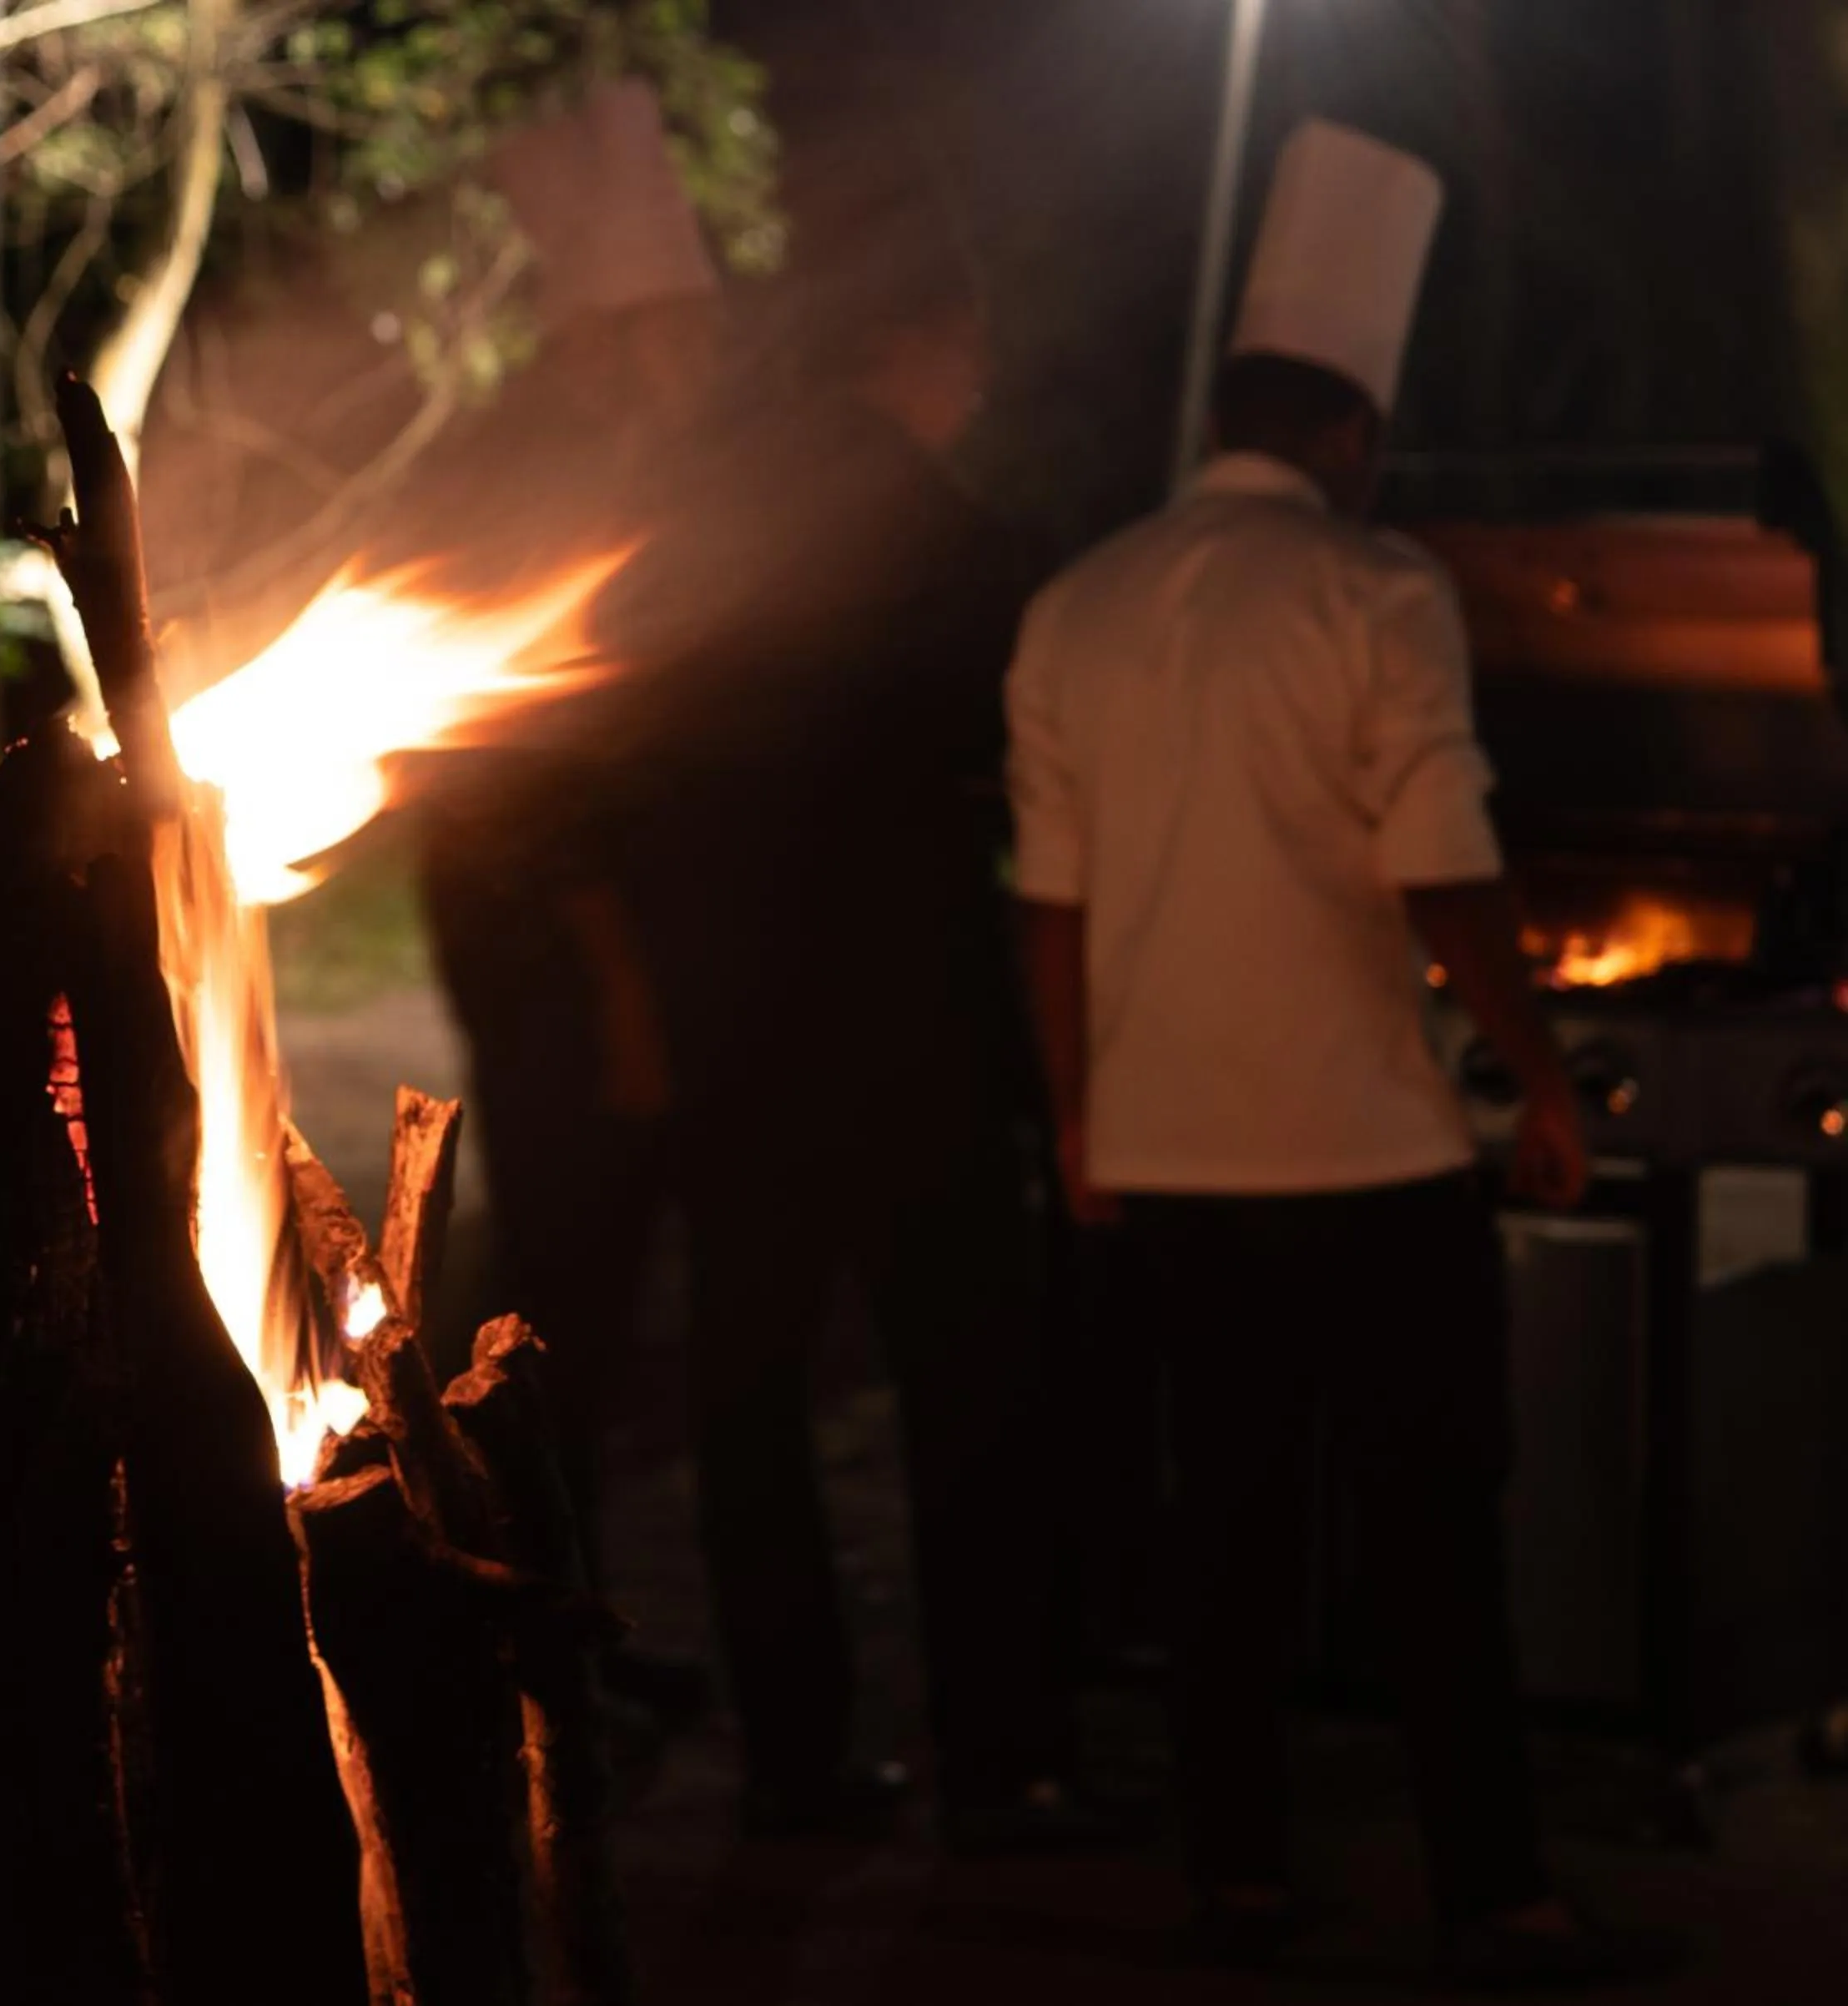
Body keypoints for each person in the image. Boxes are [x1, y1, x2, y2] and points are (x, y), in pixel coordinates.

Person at [1005, 119, 1664, 1985]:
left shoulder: (1079, 606)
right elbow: (1447, 875)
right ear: (1355, 429)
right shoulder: (1381, 594)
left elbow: (1044, 904)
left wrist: (1077, 1120)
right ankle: (1501, 1893)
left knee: (1218, 1535)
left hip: (1171, 1160)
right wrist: (1538, 1079)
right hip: (1369, 1153)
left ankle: (1237, 1879)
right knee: (1440, 1536)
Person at [572, 265, 1093, 1847]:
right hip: (914, 1029)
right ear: (910, 339)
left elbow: (608, 799)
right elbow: (1037, 760)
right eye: (966, 338)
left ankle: (799, 1760)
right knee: (968, 1402)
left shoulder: (701, 530)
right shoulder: (953, 540)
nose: (981, 374)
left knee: (755, 1409)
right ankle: (999, 1759)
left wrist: (646, 1015)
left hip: (741, 1040)